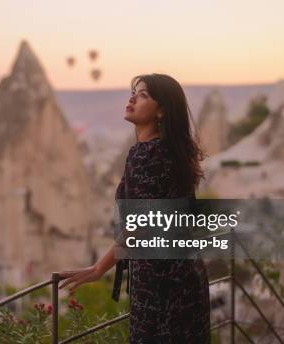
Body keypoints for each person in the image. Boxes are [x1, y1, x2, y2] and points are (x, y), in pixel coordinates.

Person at [59, 73, 211, 343]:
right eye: (134, 92)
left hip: (159, 284)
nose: (132, 98)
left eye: (143, 95)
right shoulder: (171, 151)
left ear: (162, 110)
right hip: (186, 276)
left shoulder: (146, 155)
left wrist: (98, 269)